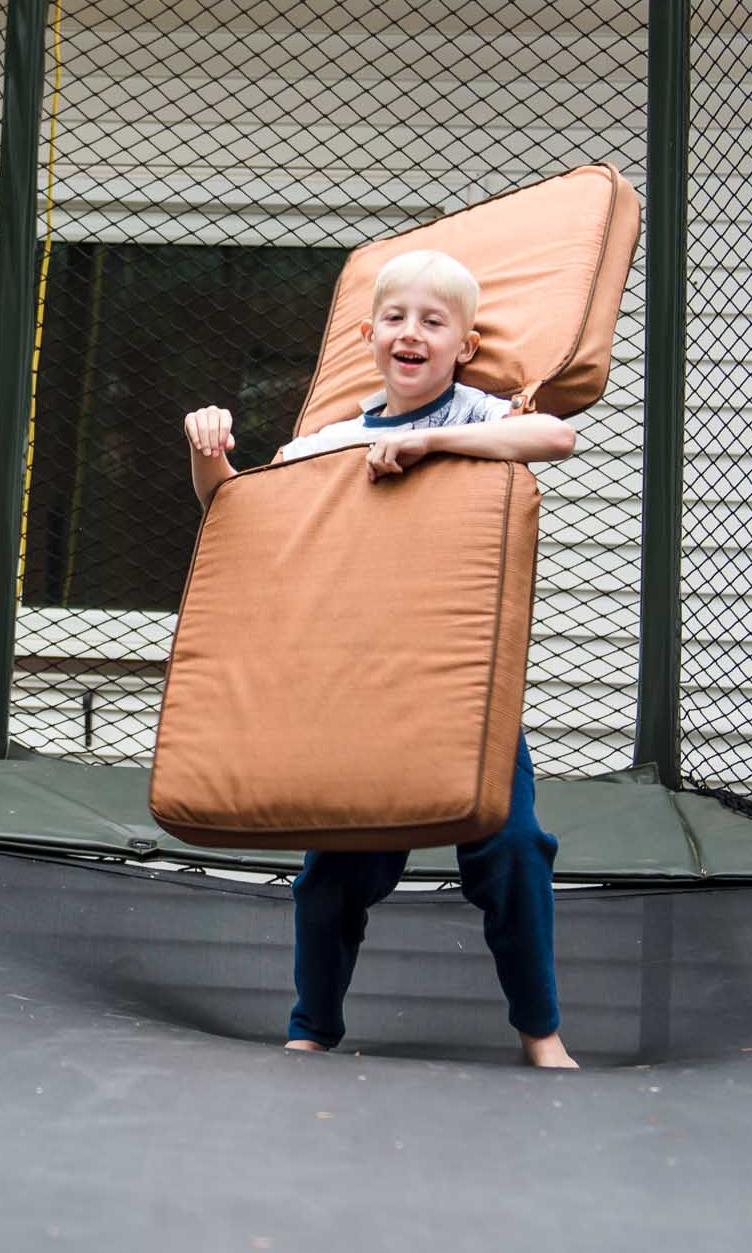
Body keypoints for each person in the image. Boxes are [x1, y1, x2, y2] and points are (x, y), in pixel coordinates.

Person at [181, 248, 583, 1070]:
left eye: (434, 322)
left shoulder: (479, 416)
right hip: (361, 690)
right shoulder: (333, 440)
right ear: (368, 335)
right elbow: (235, 509)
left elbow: (557, 435)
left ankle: (540, 1031)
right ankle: (312, 1024)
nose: (413, 333)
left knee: (511, 851)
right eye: (397, 318)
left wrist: (432, 442)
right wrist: (206, 448)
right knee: (332, 874)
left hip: (462, 694)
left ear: (465, 345)